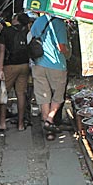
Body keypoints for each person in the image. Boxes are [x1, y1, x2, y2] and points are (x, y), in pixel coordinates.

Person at [30, 12, 69, 141]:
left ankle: (49, 131)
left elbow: (31, 39)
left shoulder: (38, 21)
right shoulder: (59, 23)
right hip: (56, 65)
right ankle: (50, 119)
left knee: (43, 96)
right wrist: (68, 55)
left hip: (38, 64)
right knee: (58, 95)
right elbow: (61, 47)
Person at [0, 13, 32, 131]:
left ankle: (2, 122)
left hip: (10, 66)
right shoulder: (27, 31)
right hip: (25, 65)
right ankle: (21, 124)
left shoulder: (6, 31)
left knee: (4, 93)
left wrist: (0, 69)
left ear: (16, 19)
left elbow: (1, 51)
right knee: (21, 94)